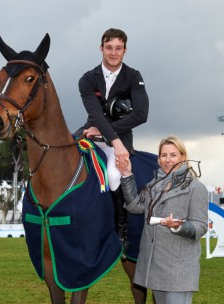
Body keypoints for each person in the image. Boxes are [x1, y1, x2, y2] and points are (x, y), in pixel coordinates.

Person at [119, 136, 208, 304]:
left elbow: (200, 227)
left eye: (173, 154)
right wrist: (126, 176)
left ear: (183, 156)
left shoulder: (196, 187)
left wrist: (179, 226)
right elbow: (135, 205)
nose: (167, 159)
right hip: (155, 263)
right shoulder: (156, 184)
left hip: (179, 265)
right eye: (163, 155)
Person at [74, 28, 149, 255]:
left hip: (115, 137)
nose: (113, 53)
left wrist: (110, 137)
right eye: (109, 48)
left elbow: (141, 114)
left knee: (114, 175)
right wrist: (101, 134)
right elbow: (95, 114)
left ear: (124, 50)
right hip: (89, 134)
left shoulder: (134, 76)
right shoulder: (87, 79)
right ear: (101, 49)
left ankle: (121, 231)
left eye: (118, 48)